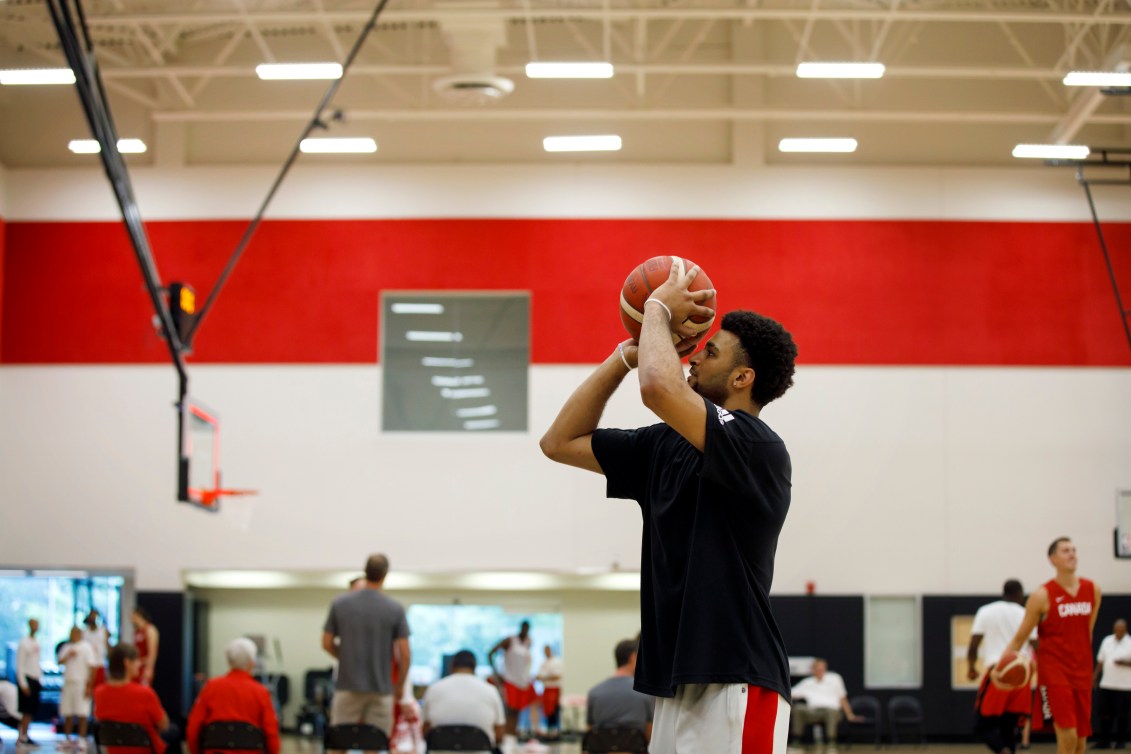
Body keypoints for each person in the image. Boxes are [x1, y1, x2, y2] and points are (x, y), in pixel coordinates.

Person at [541, 261, 798, 754]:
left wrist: (657, 309)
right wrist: (625, 356)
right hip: (675, 681)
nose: (696, 357)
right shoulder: (665, 445)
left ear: (743, 377)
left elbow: (659, 389)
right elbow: (559, 441)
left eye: (713, 351)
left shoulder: (757, 445)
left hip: (739, 678)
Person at [1006, 537, 1102, 754]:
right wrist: (998, 666)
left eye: (1074, 550)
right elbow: (1020, 638)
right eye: (1066, 550)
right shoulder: (1042, 595)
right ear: (1053, 559)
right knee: (1067, 734)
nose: (1072, 554)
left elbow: (1088, 633)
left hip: (1082, 672)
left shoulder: (1093, 590)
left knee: (1080, 741)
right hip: (1054, 674)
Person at [322, 553, 411, 738]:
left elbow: (327, 643)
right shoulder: (394, 608)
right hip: (381, 689)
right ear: (385, 575)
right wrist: (399, 685)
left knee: (340, 743)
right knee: (375, 744)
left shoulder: (340, 604)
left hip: (347, 687)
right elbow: (405, 654)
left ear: (365, 572)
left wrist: (345, 657)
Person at [967, 580, 1038, 754]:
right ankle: (1008, 750)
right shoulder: (1027, 614)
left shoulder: (986, 611)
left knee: (981, 726)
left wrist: (971, 667)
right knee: (1009, 727)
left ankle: (1003, 751)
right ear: (1020, 594)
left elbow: (974, 645)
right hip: (1021, 678)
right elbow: (1037, 646)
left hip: (998, 673)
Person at [186, 637, 280, 754]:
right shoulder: (261, 692)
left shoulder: (210, 687)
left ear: (229, 661)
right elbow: (271, 734)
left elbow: (193, 728)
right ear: (252, 662)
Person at [93, 644, 171, 754]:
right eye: (137, 660)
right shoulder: (145, 693)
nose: (140, 664)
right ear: (127, 663)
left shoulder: (99, 692)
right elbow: (164, 725)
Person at [420, 649, 505, 749]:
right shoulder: (490, 691)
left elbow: (424, 731)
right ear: (474, 667)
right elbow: (499, 735)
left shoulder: (433, 689)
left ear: (451, 666)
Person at [587, 639, 654, 741]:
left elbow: (590, 733)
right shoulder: (645, 692)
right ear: (633, 657)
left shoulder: (594, 693)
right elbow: (650, 734)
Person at [789, 659, 858, 752]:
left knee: (831, 712)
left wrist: (850, 714)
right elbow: (791, 693)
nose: (820, 671)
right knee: (798, 708)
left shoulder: (835, 678)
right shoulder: (807, 682)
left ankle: (831, 741)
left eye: (822, 668)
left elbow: (843, 698)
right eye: (817, 669)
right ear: (813, 670)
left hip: (832, 711)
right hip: (813, 712)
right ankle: (796, 739)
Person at [487, 620, 536, 744]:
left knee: (518, 712)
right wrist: (497, 674)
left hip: (523, 682)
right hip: (510, 680)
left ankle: (513, 738)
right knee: (510, 712)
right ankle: (507, 739)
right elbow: (490, 653)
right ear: (521, 628)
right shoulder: (510, 640)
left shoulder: (528, 642)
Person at [57, 626, 99, 750]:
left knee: (82, 713)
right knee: (67, 712)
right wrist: (68, 655)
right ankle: (67, 738)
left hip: (81, 683)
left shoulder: (86, 647)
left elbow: (93, 667)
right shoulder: (66, 647)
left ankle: (81, 739)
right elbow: (59, 661)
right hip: (68, 683)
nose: (72, 635)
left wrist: (89, 685)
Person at [1094, 619, 1131, 749]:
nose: (1118, 632)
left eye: (1121, 630)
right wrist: (1095, 678)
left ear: (1125, 629)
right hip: (1106, 684)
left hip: (1125, 686)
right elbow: (1100, 661)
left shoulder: (1129, 642)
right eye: (1116, 630)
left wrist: (1125, 663)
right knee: (1104, 714)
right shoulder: (1107, 640)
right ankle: (1104, 741)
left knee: (1122, 715)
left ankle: (1121, 741)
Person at [16, 618, 42, 748]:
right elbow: (19, 665)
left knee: (31, 711)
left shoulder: (36, 642)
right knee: (25, 711)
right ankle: (21, 736)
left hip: (36, 679)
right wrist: (23, 683)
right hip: (27, 679)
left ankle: (26, 735)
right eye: (34, 624)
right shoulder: (23, 643)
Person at [536, 646, 563, 740]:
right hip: (546, 688)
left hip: (554, 688)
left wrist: (544, 678)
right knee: (547, 711)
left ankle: (555, 731)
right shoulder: (544, 663)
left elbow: (557, 676)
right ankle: (549, 730)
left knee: (554, 710)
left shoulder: (556, 662)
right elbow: (540, 675)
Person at [132, 607, 160, 686]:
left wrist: (149, 669)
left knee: (143, 690)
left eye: (133, 617)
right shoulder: (136, 631)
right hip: (137, 666)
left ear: (138, 616)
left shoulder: (150, 629)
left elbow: (153, 652)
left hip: (145, 666)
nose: (131, 619)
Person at [83, 610, 110, 688]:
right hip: (87, 665)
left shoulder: (103, 631)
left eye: (95, 616)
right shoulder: (84, 632)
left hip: (99, 663)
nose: (94, 618)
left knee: (98, 688)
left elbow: (107, 647)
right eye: (92, 616)